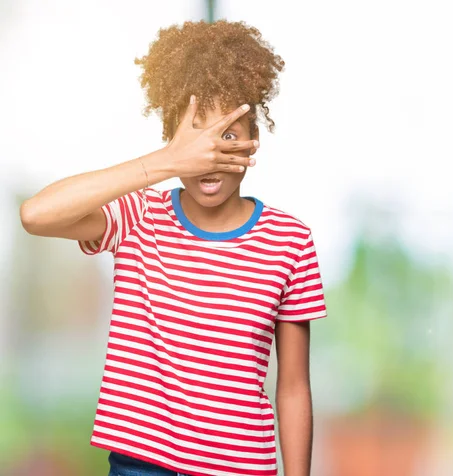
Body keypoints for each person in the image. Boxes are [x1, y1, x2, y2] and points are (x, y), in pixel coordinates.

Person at [20, 20, 327, 476]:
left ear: (252, 142)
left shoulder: (290, 240)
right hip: (139, 466)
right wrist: (165, 162)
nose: (209, 155)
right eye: (194, 136)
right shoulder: (138, 216)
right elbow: (37, 215)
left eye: (226, 134)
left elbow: (294, 387)